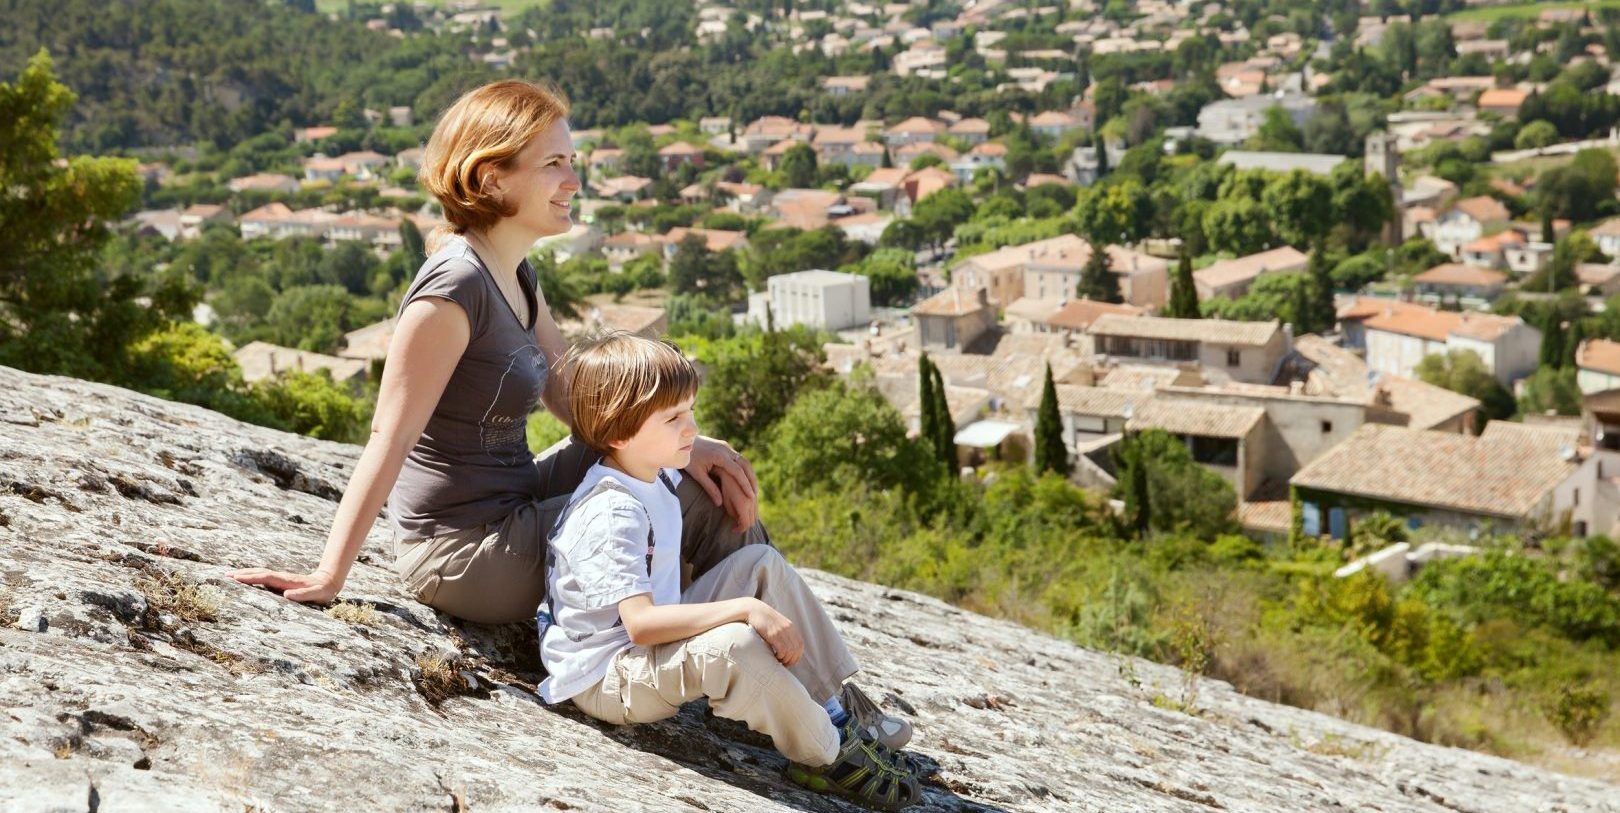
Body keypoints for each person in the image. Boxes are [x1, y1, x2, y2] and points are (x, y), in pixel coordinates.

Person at [227, 79, 760, 624]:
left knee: (694, 476)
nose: (574, 180)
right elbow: (390, 436)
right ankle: (765, 670)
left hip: (516, 505)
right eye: (553, 163)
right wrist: (329, 575)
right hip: (463, 552)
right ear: (490, 177)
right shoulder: (454, 290)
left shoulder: (517, 273)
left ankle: (747, 657)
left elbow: (570, 396)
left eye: (572, 160)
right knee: (679, 496)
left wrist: (682, 442)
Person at [539, 332, 920, 812]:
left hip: (641, 650)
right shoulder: (612, 512)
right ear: (619, 434)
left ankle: (834, 708)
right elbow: (639, 625)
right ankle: (824, 753)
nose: (691, 429)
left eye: (691, 411)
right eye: (674, 418)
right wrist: (744, 610)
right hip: (608, 678)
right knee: (734, 644)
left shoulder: (650, 473)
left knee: (760, 565)